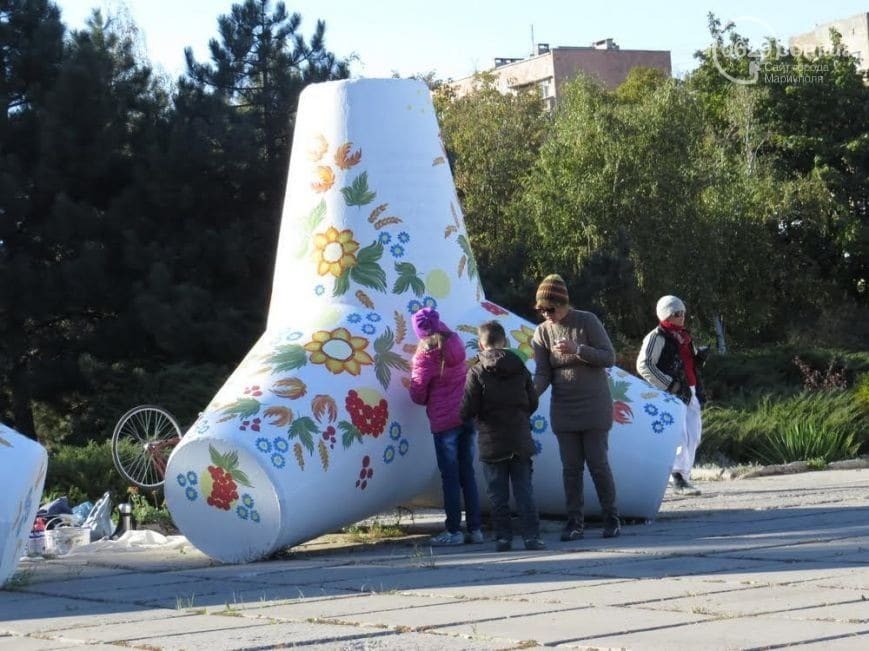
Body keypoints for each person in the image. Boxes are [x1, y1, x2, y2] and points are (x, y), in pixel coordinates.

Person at [530, 274, 621, 540]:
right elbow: (543, 373)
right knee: (571, 469)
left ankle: (611, 517)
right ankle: (574, 522)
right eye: (541, 310)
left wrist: (577, 349)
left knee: (597, 463)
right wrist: (528, 397)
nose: (546, 315)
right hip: (564, 408)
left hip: (594, 406)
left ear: (563, 303)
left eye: (550, 309)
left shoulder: (586, 321)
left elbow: (609, 357)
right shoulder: (542, 333)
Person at [460, 320, 544, 552]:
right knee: (524, 490)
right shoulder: (520, 367)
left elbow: (467, 407)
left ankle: (503, 538)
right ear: (505, 341)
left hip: (491, 440)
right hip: (520, 438)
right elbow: (532, 401)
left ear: (480, 343)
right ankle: (532, 537)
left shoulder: (476, 371)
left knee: (498, 495)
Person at [409, 307, 483, 546]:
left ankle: (453, 531)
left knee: (450, 477)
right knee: (467, 474)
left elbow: (418, 395)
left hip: (444, 421)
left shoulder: (426, 356)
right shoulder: (456, 342)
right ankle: (475, 528)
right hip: (466, 414)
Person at [636, 295, 708, 496]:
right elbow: (644, 365)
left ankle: (684, 477)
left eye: (683, 313)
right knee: (680, 435)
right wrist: (669, 385)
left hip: (691, 390)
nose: (682, 316)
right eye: (677, 313)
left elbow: (687, 362)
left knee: (694, 435)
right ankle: (676, 477)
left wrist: (699, 358)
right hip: (671, 392)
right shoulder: (656, 336)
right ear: (667, 314)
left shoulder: (684, 335)